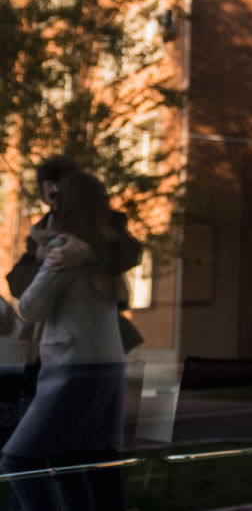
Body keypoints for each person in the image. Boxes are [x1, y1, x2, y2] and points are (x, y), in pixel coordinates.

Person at [2, 171, 130, 510]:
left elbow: (29, 306)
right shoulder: (105, 251)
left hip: (70, 368)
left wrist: (41, 253)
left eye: (55, 198)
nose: (49, 205)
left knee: (17, 462)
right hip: (107, 368)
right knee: (68, 464)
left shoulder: (63, 249)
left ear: (67, 204)